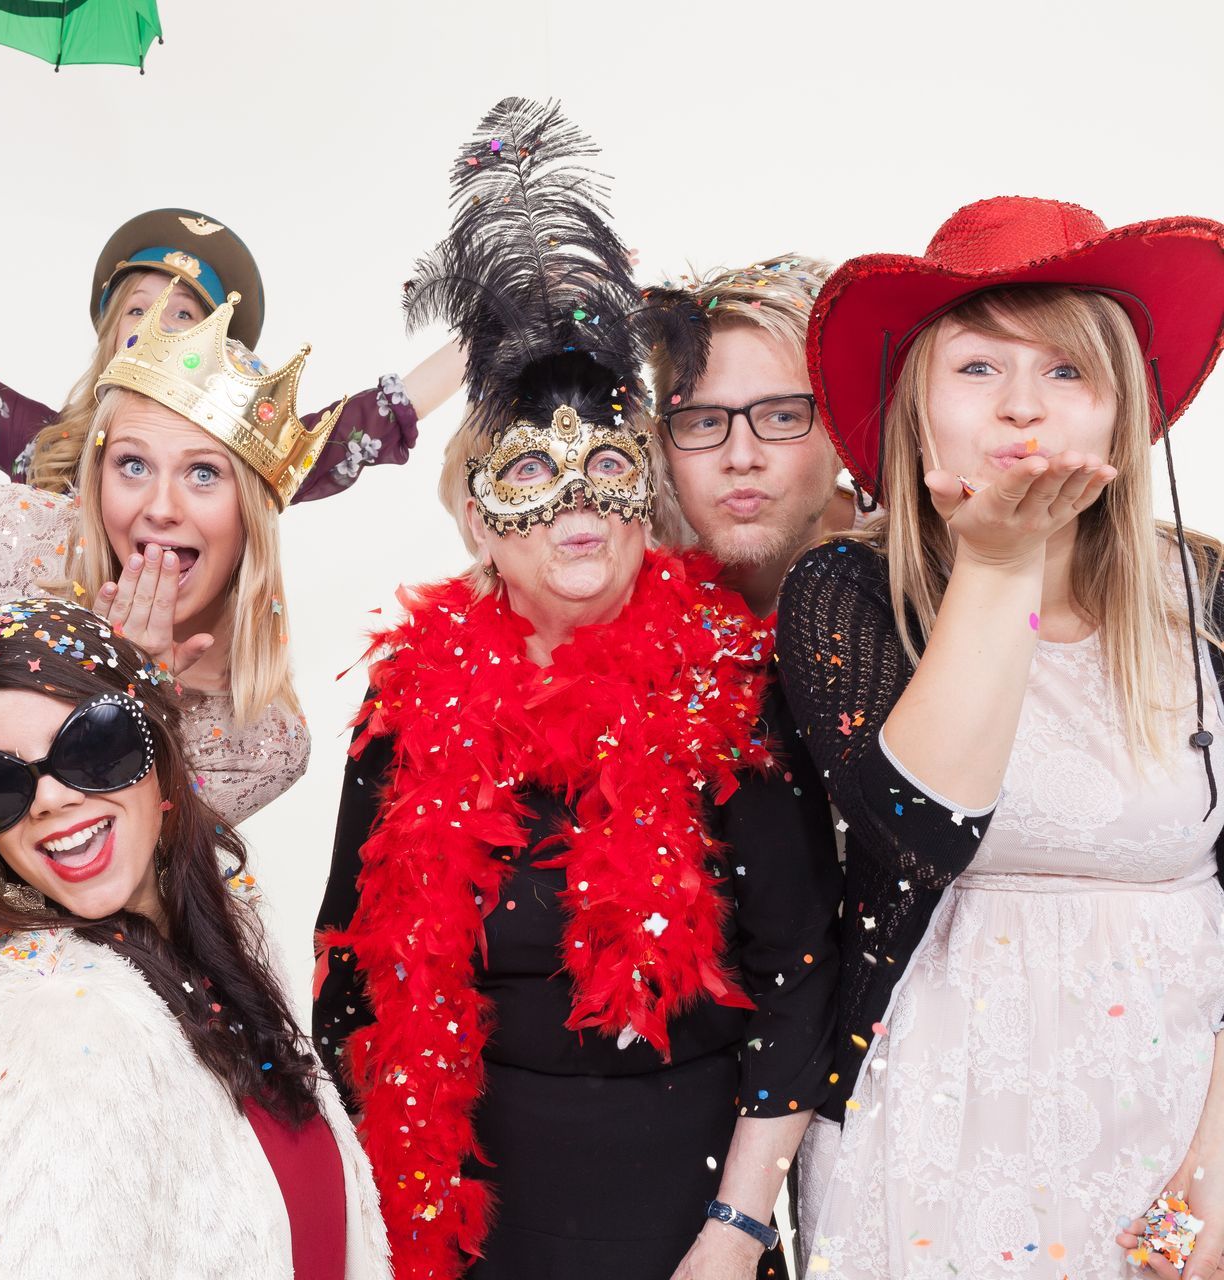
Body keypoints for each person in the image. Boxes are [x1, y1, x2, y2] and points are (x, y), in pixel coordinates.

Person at [311, 99, 840, 1280]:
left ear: (644, 487)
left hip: (686, 1211)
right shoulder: (406, 703)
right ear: (476, 512)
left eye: (607, 465)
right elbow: (348, 981)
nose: (575, 504)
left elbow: (801, 972)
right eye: (529, 474)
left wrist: (738, 1228)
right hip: (466, 1218)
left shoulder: (729, 682)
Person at [778, 196, 1224, 1278]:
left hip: (1178, 1127)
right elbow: (924, 835)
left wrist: (1207, 1189)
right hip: (932, 1137)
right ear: (916, 404)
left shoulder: (1207, 590)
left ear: (1124, 410)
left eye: (1067, 371)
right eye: (979, 368)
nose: (1023, 405)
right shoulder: (846, 593)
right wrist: (998, 561)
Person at [0, 598, 389, 1277]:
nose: (50, 799)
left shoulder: (228, 937)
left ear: (159, 749)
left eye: (92, 745)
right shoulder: (61, 1022)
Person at [0, 281, 329, 900]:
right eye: (133, 465)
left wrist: (134, 706)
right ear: (97, 473)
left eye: (203, 473)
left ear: (252, 514)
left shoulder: (265, 742)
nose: (160, 508)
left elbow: (89, 895)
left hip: (27, 982)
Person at [0, 88, 465, 501]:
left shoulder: (246, 459)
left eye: (183, 314)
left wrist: (500, 325)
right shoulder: (49, 453)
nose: (159, 325)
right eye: (138, 308)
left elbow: (382, 416)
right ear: (112, 340)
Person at [643, 257, 857, 618]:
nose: (741, 457)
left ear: (843, 434)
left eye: (782, 417)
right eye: (705, 423)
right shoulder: (618, 561)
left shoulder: (925, 562)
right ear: (663, 441)